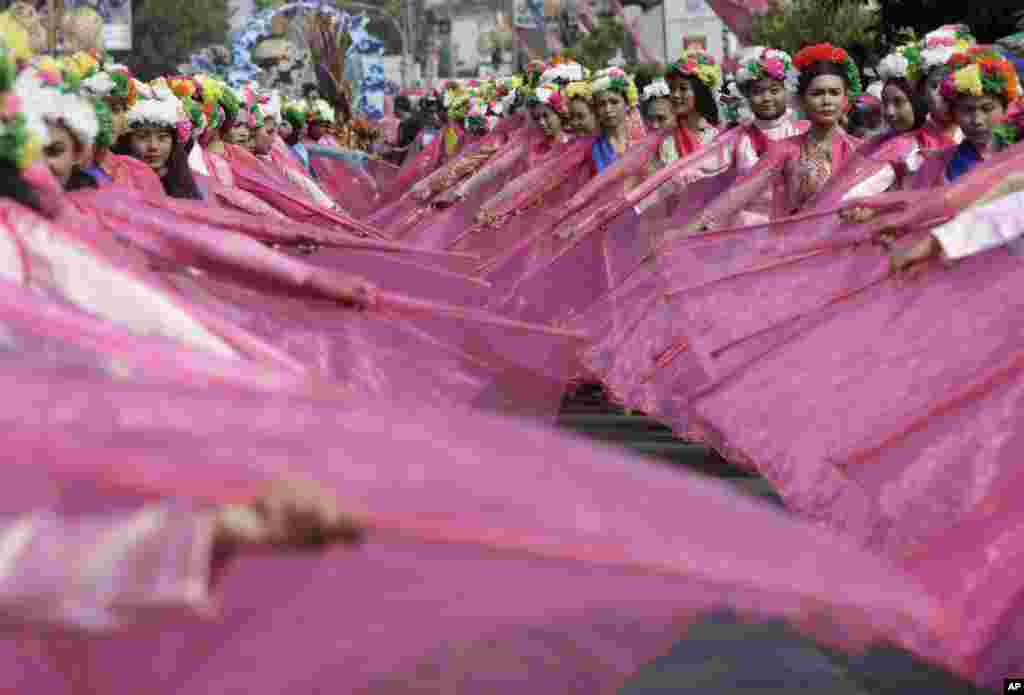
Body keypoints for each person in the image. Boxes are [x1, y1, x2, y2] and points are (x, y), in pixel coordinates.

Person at [113, 81, 202, 200]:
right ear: (127, 140)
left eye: (162, 137)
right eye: (143, 136)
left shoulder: (191, 182)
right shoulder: (115, 182)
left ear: (174, 142)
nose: (153, 146)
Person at [661, 50, 722, 164]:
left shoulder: (717, 137)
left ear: (700, 92)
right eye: (672, 89)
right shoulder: (667, 140)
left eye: (683, 89)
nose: (675, 95)